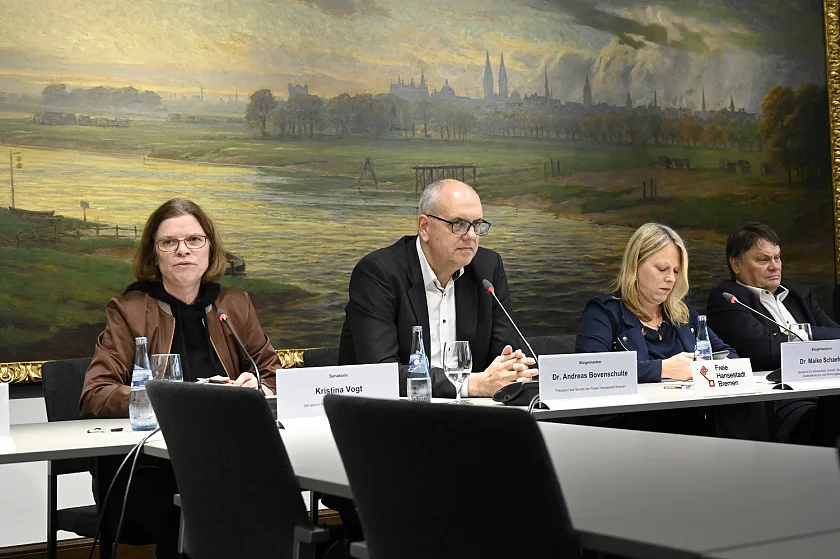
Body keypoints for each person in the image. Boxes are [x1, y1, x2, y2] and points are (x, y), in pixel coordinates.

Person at [80, 198, 282, 558]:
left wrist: (256, 384)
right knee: (206, 497)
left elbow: (272, 372)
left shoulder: (234, 305)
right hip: (149, 466)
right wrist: (172, 399)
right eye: (169, 243)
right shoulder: (128, 310)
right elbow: (95, 395)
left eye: (194, 240)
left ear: (209, 249)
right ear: (154, 255)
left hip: (229, 453)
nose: (183, 251)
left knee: (267, 491)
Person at [339, 178, 537, 397]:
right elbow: (381, 373)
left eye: (477, 225)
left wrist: (511, 370)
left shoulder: (487, 268)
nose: (471, 235)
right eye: (458, 224)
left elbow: (504, 356)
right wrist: (470, 385)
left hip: (475, 414)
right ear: (425, 227)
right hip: (393, 417)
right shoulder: (378, 274)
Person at [576, 222, 767, 439]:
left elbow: (726, 354)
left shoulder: (681, 312)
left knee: (747, 408)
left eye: (676, 271)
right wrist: (663, 369)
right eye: (661, 269)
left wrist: (711, 369)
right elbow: (588, 372)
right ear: (635, 266)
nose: (671, 278)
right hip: (630, 427)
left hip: (691, 421)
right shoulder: (603, 312)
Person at [706, 221, 840, 444]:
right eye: (763, 259)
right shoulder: (728, 299)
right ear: (736, 264)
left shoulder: (799, 294)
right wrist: (812, 340)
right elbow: (763, 349)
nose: (775, 266)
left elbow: (837, 335)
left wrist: (799, 336)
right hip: (783, 401)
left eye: (777, 257)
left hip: (826, 388)